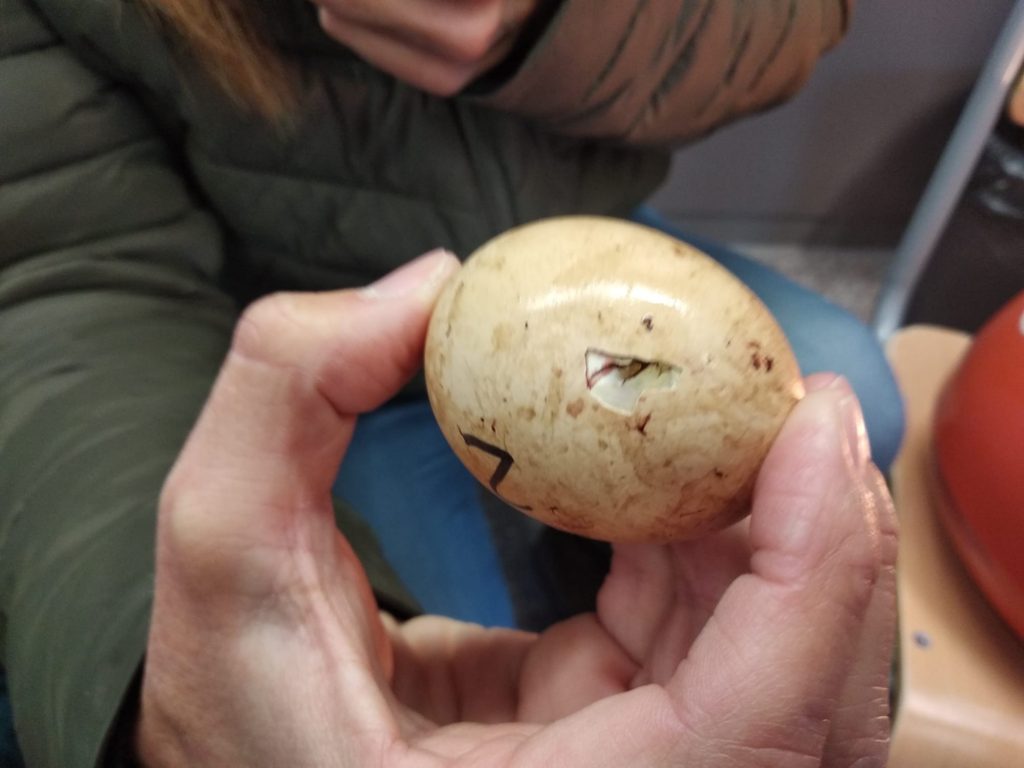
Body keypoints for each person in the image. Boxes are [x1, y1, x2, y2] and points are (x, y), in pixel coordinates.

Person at [0, 1, 899, 765]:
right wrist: (162, 680)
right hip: (334, 340)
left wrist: (557, 27)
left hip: (577, 240)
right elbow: (56, 268)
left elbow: (792, 23)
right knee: (432, 672)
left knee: (858, 389)